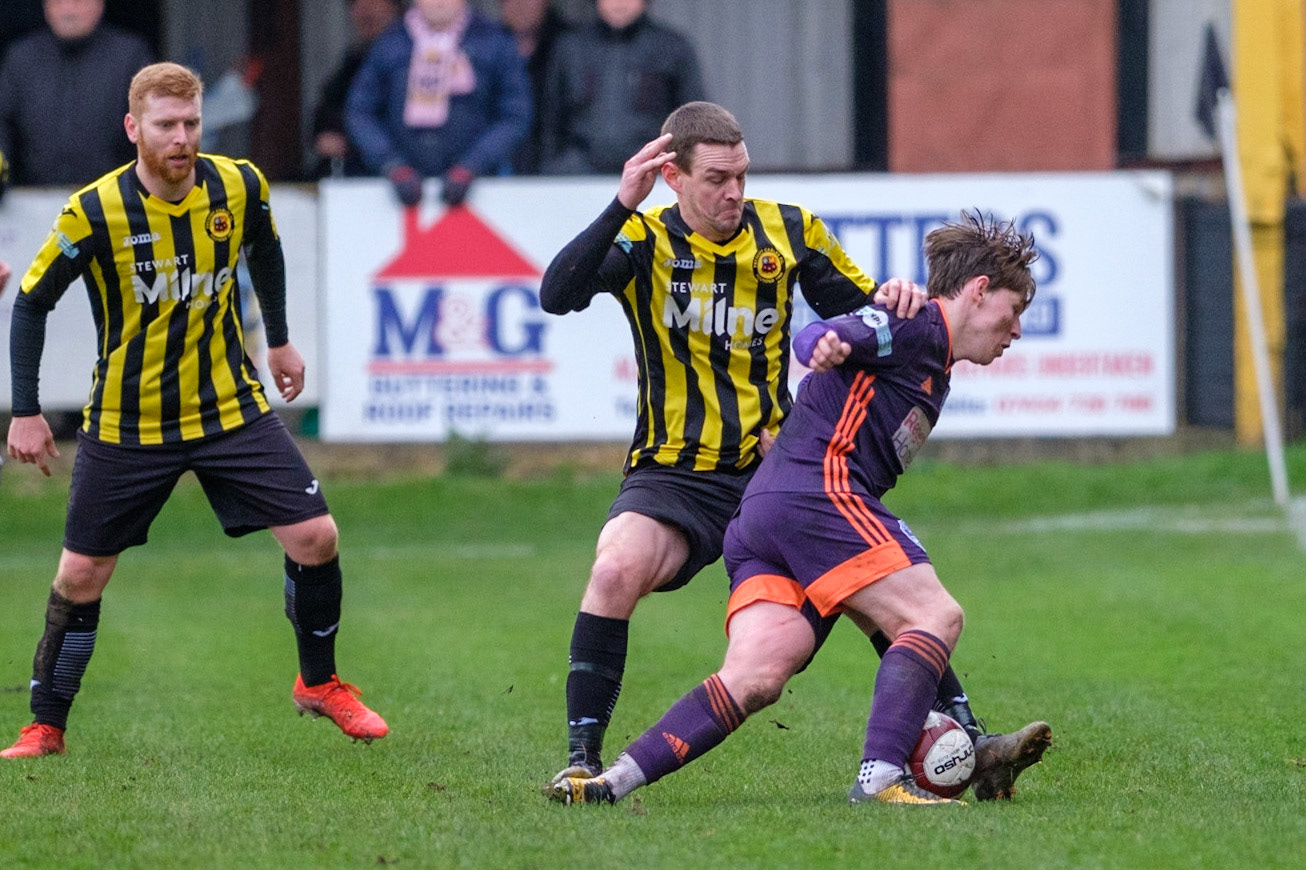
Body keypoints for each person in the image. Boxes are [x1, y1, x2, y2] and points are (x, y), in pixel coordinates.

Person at [537, 101, 1025, 794]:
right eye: (715, 179)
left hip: (773, 461)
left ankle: (969, 738)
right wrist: (620, 205)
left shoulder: (788, 232)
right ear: (672, 177)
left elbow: (867, 321)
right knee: (615, 570)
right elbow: (558, 295)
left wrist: (896, 294)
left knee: (873, 595)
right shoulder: (642, 239)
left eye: (741, 174)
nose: (733, 192)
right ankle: (585, 758)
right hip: (675, 475)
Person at [1, 62, 388, 759]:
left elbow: (264, 249)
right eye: (165, 126)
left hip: (228, 410)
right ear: (133, 129)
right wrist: (25, 410)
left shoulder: (237, 184)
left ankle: (319, 683)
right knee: (81, 576)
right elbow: (30, 302)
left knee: (317, 536)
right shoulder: (93, 209)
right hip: (128, 422)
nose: (181, 138)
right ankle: (45, 727)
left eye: (190, 124)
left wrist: (280, 340)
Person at [345, 0, 532, 207]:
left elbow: (515, 114)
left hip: (482, 193)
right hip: (400, 194)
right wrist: (391, 164)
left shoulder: (493, 41)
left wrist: (473, 164)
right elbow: (360, 111)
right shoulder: (391, 43)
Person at [539, 0, 705, 175]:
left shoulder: (672, 47)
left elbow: (692, 117)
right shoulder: (570, 47)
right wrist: (551, 169)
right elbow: (550, 118)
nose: (618, 3)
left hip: (652, 170)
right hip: (578, 171)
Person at [0, 0, 153, 186]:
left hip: (113, 200)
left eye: (78, 1)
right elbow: (3, 127)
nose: (68, 10)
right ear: (45, 6)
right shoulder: (20, 58)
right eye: (58, 2)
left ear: (99, 4)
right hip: (29, 200)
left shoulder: (130, 56)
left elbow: (151, 127)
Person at [309, 0, 404, 179]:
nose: (365, 9)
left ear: (395, 7)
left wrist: (352, 143)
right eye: (356, 3)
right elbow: (325, 115)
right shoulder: (354, 60)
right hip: (350, 173)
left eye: (374, 1)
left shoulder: (412, 58)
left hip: (398, 172)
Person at [497, 0, 570, 174]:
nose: (520, 5)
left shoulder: (567, 44)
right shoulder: (488, 44)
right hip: (499, 160)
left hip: (558, 163)